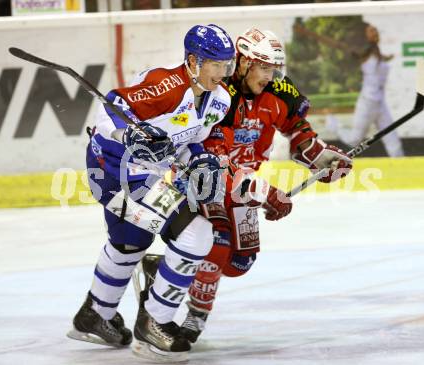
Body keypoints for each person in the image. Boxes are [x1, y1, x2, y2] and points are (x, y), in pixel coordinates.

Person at [139, 27, 353, 345]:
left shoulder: (280, 92)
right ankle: (192, 319)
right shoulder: (219, 96)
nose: (269, 75)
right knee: (218, 241)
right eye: (263, 67)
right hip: (205, 178)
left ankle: (167, 267)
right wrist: (266, 192)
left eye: (273, 68)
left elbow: (299, 132)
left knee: (240, 263)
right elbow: (217, 161)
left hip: (244, 184)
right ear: (242, 63)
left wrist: (322, 158)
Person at [67, 24, 236, 362]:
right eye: (215, 64)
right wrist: (127, 133)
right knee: (195, 234)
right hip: (116, 171)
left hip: (142, 173)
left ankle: (95, 315)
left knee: (130, 243)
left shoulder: (219, 100)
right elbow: (110, 107)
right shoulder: (167, 85)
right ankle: (154, 323)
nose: (222, 72)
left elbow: (188, 141)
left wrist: (198, 157)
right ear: (192, 61)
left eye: (227, 65)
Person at [295, 22, 404, 157]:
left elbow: (386, 59)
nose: (374, 33)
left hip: (380, 102)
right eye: (371, 31)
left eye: (375, 30)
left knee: (391, 135)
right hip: (367, 102)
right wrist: (309, 33)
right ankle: (333, 124)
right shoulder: (363, 53)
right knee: (354, 139)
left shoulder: (380, 54)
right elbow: (336, 44)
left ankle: (401, 161)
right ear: (365, 36)